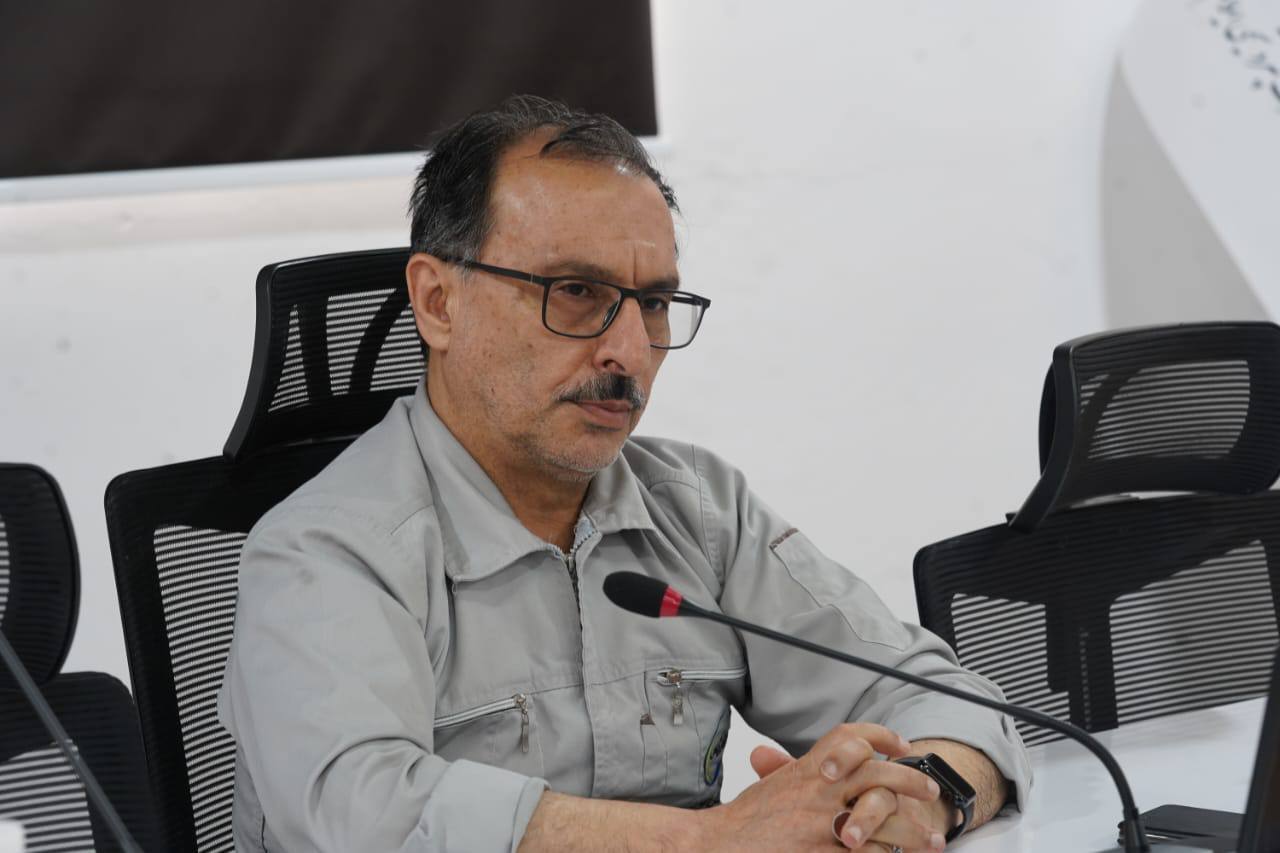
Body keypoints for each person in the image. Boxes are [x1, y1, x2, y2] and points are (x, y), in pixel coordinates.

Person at [217, 95, 1031, 853]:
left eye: (654, 303)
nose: (630, 351)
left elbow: (942, 697)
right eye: (576, 292)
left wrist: (921, 794)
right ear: (437, 302)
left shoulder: (701, 511)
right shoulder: (323, 551)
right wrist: (715, 840)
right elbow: (365, 815)